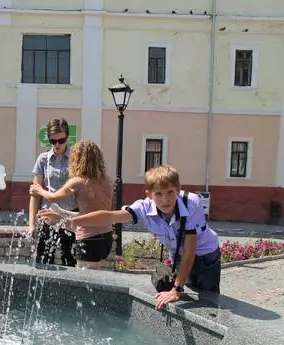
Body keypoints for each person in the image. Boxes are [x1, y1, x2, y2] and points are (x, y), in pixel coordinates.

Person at [39, 165, 221, 310]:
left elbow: (190, 251)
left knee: (208, 300)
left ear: (178, 189)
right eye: (158, 194)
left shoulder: (191, 202)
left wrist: (176, 289)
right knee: (188, 297)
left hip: (206, 256)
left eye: (170, 193)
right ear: (149, 194)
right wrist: (69, 221)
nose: (165, 200)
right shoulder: (143, 208)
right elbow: (109, 216)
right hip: (178, 255)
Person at [29, 140, 113, 269]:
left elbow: (53, 197)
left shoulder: (77, 182)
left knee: (84, 279)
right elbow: (91, 213)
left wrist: (39, 190)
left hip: (88, 238)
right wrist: (60, 215)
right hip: (106, 237)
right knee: (95, 275)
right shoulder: (107, 181)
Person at [28, 118, 77, 267]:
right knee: (43, 261)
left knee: (70, 260)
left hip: (69, 215)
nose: (57, 145)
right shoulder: (43, 160)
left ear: (67, 137)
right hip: (47, 215)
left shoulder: (76, 159)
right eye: (53, 141)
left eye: (61, 141)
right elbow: (35, 193)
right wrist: (31, 225)